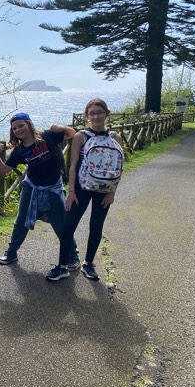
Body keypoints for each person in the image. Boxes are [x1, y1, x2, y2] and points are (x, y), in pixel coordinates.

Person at [0, 113, 77, 280]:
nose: (18, 130)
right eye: (14, 128)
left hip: (52, 187)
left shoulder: (48, 136)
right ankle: (11, 252)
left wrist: (60, 127)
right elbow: (4, 171)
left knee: (60, 222)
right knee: (21, 221)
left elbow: (72, 133)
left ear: (29, 124)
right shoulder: (19, 150)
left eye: (21, 125)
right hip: (31, 187)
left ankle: (72, 256)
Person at [61, 98, 123, 281]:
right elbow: (73, 165)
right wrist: (71, 192)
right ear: (86, 116)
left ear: (107, 114)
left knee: (96, 226)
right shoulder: (81, 136)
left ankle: (88, 263)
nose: (96, 116)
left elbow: (119, 167)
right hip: (82, 187)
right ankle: (62, 265)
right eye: (92, 113)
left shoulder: (115, 137)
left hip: (105, 189)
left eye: (99, 112)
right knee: (68, 225)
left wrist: (112, 193)